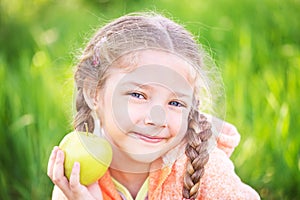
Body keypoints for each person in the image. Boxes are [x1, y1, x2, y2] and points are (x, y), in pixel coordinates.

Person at [47, 12, 260, 200]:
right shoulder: (77, 174)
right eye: (138, 95)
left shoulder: (208, 170)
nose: (157, 118)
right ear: (93, 92)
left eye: (175, 102)